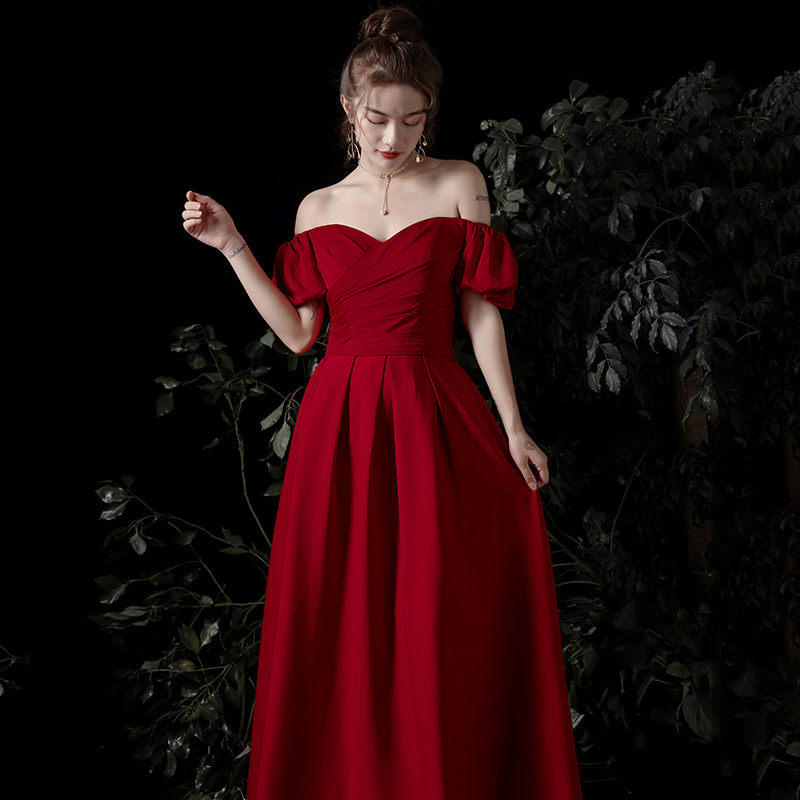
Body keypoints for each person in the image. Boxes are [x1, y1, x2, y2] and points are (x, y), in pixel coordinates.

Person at [182, 6, 583, 798]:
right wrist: (231, 245)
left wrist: (513, 426)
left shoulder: (461, 184)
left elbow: (480, 313)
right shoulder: (317, 208)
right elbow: (301, 334)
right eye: (376, 119)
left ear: (429, 114)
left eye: (412, 119)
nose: (393, 137)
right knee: (341, 613)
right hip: (340, 426)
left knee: (437, 611)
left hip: (435, 410)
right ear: (348, 108)